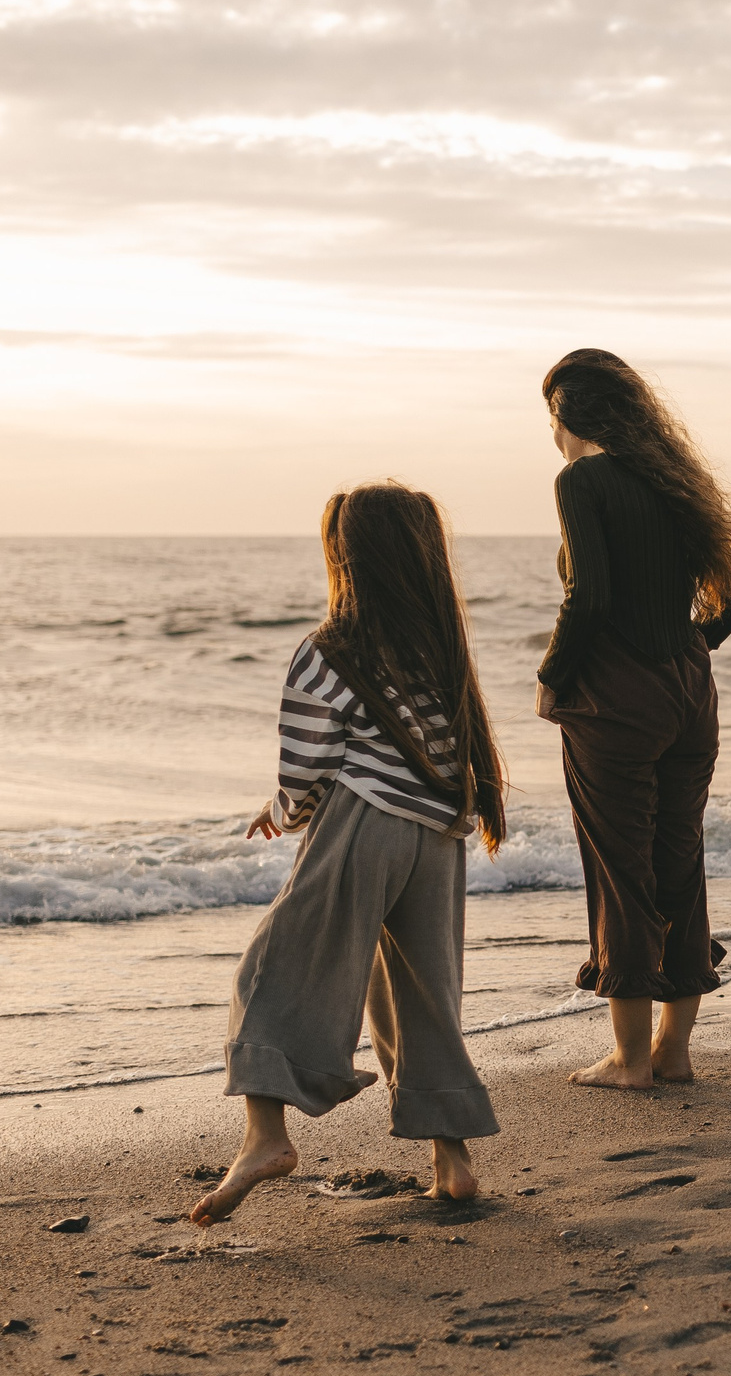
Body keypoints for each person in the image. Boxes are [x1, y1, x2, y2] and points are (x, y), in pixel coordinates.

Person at [192, 482, 510, 1226]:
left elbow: (306, 768)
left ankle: (266, 1138)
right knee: (421, 992)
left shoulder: (328, 651)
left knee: (274, 966)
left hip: (362, 824)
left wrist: (281, 815)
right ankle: (452, 1159)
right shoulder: (440, 644)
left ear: (347, 559)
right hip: (437, 834)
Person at [537, 349, 731, 1091]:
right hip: (691, 695)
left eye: (551, 418)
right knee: (679, 862)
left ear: (568, 414)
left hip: (614, 700)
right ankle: (674, 1050)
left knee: (619, 869)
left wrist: (551, 676)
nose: (552, 435)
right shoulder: (676, 481)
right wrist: (691, 649)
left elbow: (590, 598)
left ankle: (629, 1060)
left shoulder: (582, 480)